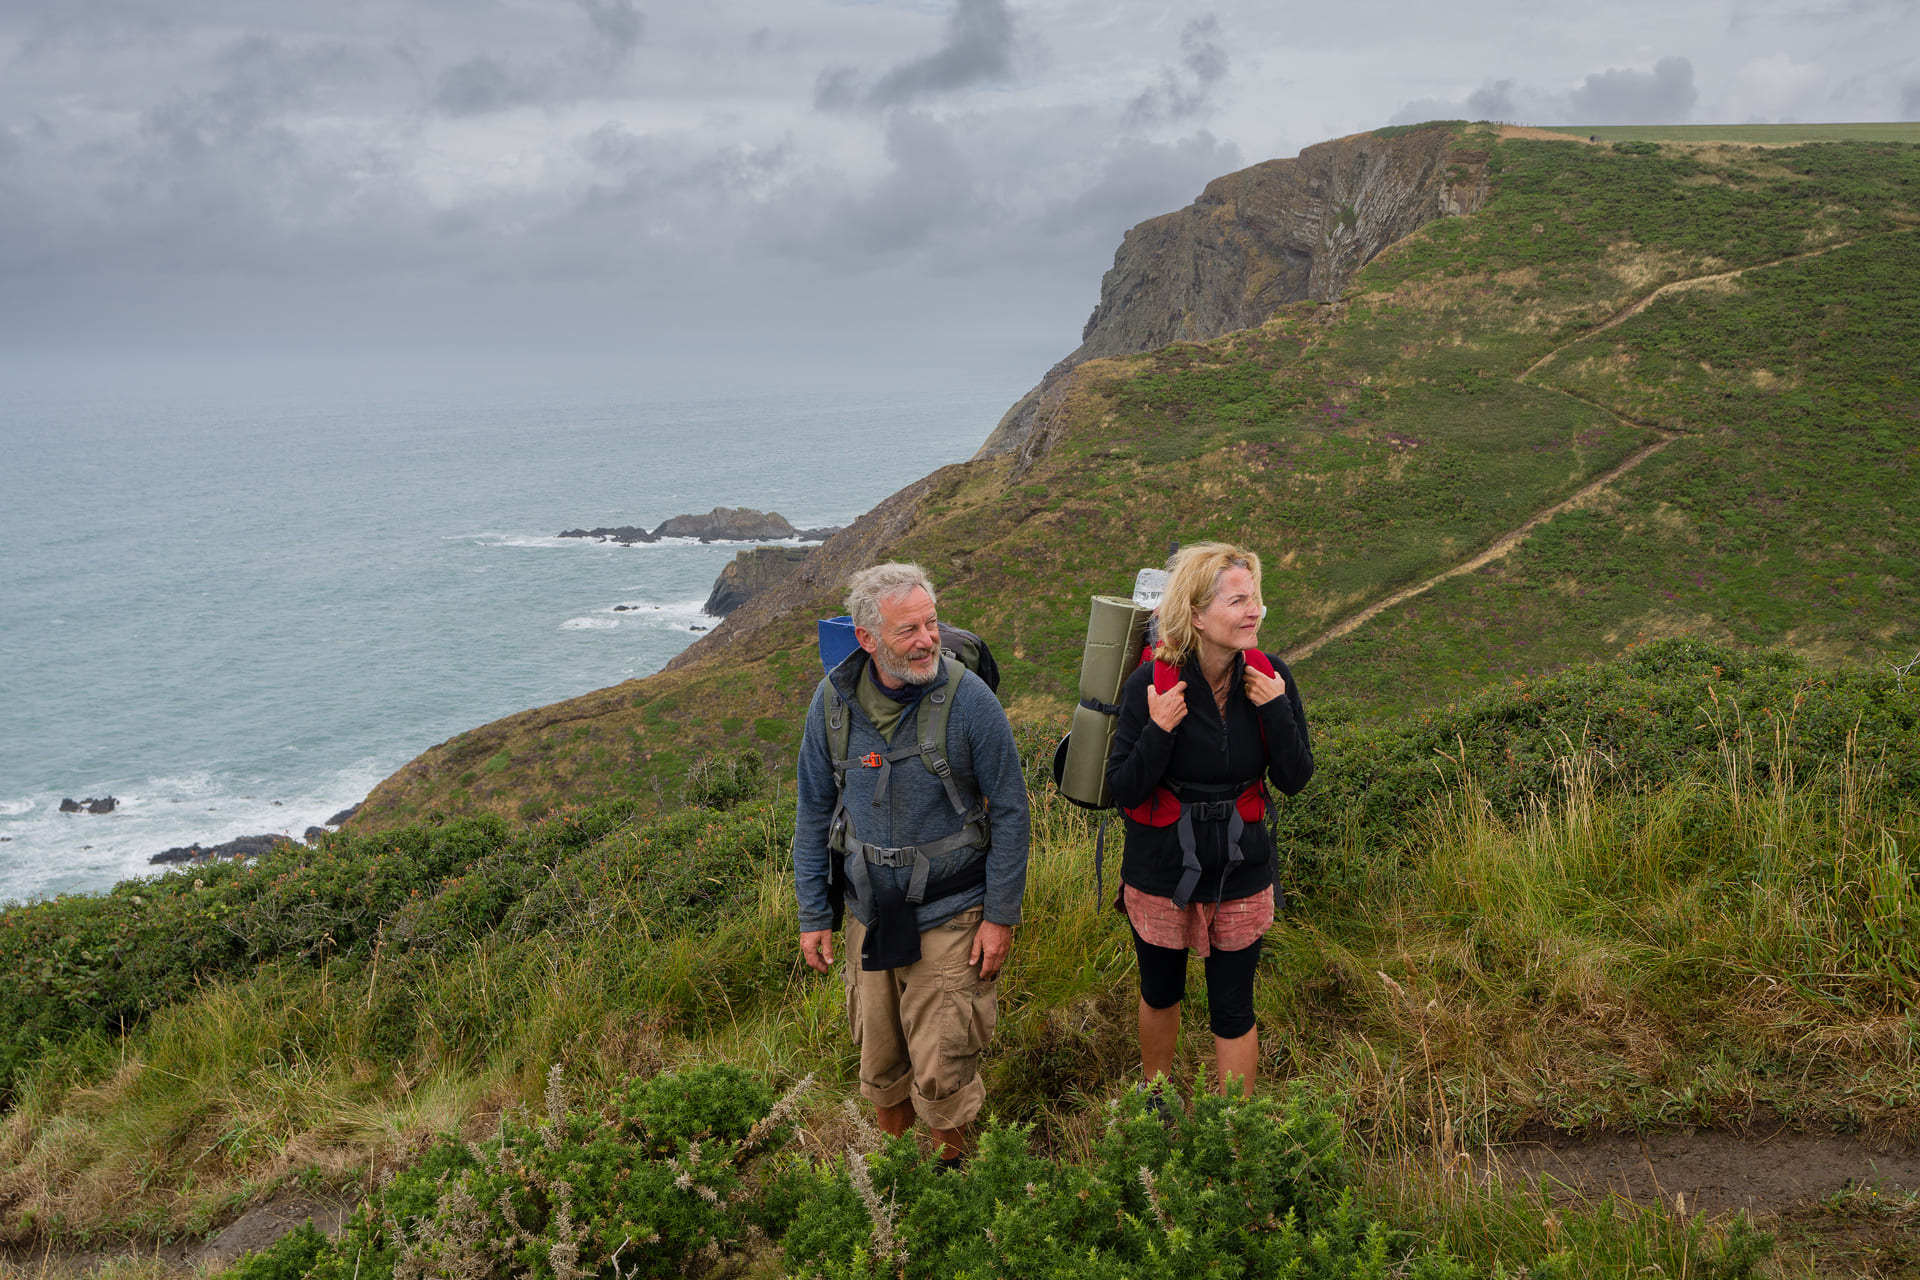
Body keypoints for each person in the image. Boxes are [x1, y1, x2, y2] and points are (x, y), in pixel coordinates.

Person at [794, 562, 1030, 1167]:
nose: (928, 640)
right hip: (866, 917)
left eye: (931, 623)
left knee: (943, 1072)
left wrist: (1000, 918)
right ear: (867, 639)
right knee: (881, 1066)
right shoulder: (832, 703)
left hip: (952, 914)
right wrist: (812, 914)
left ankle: (950, 1199)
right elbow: (813, 813)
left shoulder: (970, 701)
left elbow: (1010, 813)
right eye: (909, 630)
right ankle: (900, 1189)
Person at [1105, 542, 1313, 1101]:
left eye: (1256, 599)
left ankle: (1234, 1132)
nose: (1254, 611)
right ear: (1196, 615)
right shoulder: (1151, 685)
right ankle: (1157, 1105)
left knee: (1233, 1003)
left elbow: (1295, 778)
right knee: (1161, 989)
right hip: (1161, 866)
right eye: (1238, 600)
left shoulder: (1272, 678)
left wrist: (1275, 708)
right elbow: (1123, 786)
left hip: (1241, 866)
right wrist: (1157, 730)